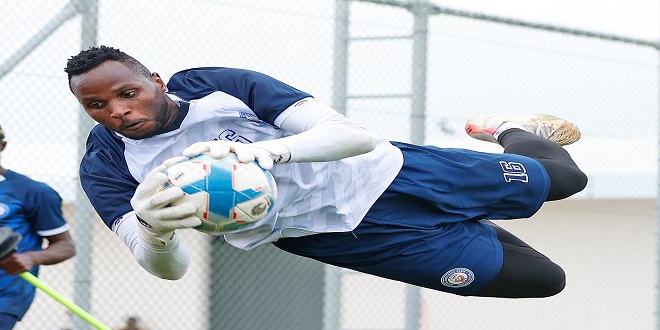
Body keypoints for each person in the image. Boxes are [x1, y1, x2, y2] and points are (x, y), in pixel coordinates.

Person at [64, 45, 587, 299]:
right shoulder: (105, 166)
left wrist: (264, 156)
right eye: (97, 105)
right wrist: (153, 227)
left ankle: (510, 129)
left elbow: (349, 135)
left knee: (566, 181)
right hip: (336, 235)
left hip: (386, 173)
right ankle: (457, 231)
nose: (117, 111)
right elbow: (166, 269)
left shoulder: (213, 86)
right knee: (543, 280)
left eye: (127, 93)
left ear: (154, 81)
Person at [0, 125, 76, 329]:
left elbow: (65, 246)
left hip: (5, 293)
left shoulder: (32, 192)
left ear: (2, 145)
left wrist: (31, 258)